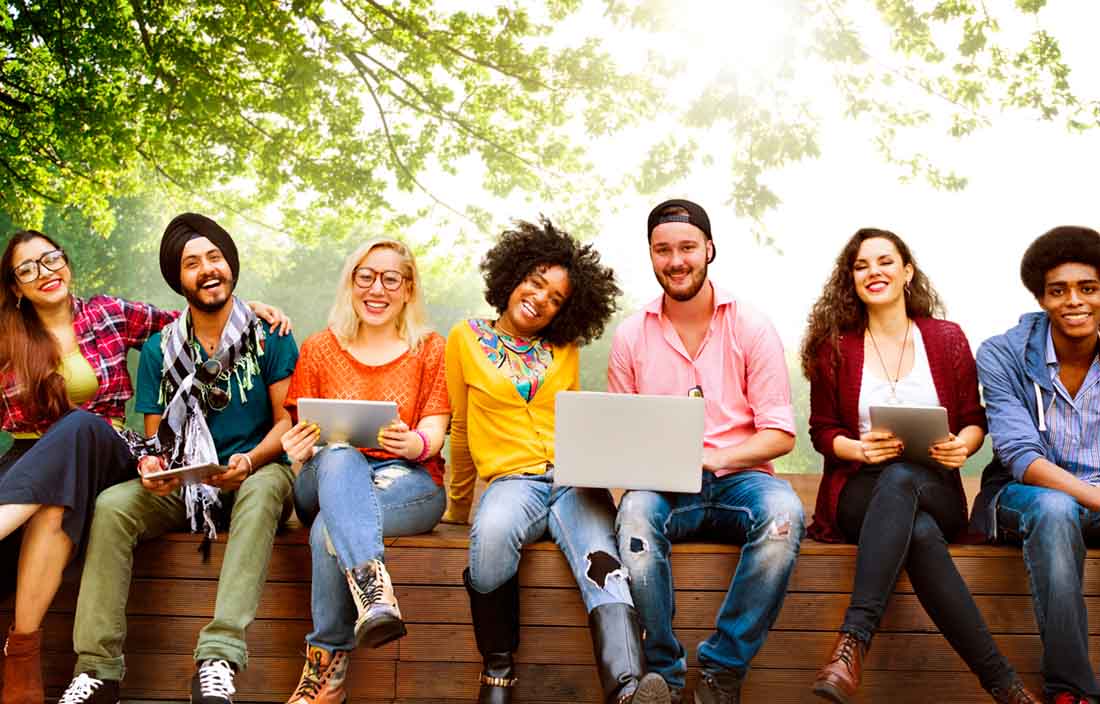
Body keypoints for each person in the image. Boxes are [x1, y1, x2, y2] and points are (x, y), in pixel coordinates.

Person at [0, 229, 286, 704]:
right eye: (27, 269)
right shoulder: (6, 336)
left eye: (50, 259)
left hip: (105, 447)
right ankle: (22, 648)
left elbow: (190, 320)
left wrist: (247, 308)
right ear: (14, 286)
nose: (44, 273)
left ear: (66, 262)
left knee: (80, 426)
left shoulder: (108, 313)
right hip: (30, 458)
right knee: (54, 505)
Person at [802, 228, 1039, 704]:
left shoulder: (946, 339)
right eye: (862, 265)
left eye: (885, 261)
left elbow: (975, 420)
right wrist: (858, 448)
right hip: (859, 491)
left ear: (907, 272)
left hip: (935, 484)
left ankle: (852, 643)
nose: (875, 272)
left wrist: (963, 447)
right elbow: (822, 431)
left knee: (908, 480)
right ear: (850, 279)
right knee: (921, 533)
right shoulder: (836, 347)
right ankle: (1004, 685)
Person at [444, 218, 668, 704]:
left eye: (556, 298)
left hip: (572, 480)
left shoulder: (564, 349)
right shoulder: (464, 338)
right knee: (491, 540)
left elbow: (576, 420)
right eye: (536, 282)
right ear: (514, 276)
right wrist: (457, 506)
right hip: (511, 481)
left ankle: (629, 688)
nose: (541, 299)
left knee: (603, 564)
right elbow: (460, 428)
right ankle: (498, 672)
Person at [611, 199, 804, 704]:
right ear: (651, 256)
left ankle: (722, 671)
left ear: (709, 249)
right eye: (663, 250)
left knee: (783, 513)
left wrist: (717, 458)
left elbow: (781, 434)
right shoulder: (631, 336)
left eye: (687, 248)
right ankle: (663, 676)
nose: (676, 261)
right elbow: (620, 436)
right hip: (666, 488)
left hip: (741, 479)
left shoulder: (751, 326)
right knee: (633, 513)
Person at [279, 238, 450, 704]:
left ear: (408, 288)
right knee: (338, 454)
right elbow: (301, 434)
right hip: (324, 476)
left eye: (390, 278)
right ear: (351, 284)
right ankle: (374, 595)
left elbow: (435, 430)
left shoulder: (430, 348)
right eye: (366, 276)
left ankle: (325, 676)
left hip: (407, 482)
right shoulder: (319, 348)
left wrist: (414, 442)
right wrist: (297, 448)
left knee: (326, 535)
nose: (377, 288)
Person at [970, 225, 1100, 704]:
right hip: (1024, 496)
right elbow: (1021, 457)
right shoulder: (1002, 354)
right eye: (1058, 290)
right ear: (1041, 298)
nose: (1074, 301)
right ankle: (1071, 691)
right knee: (1054, 510)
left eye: (1088, 288)